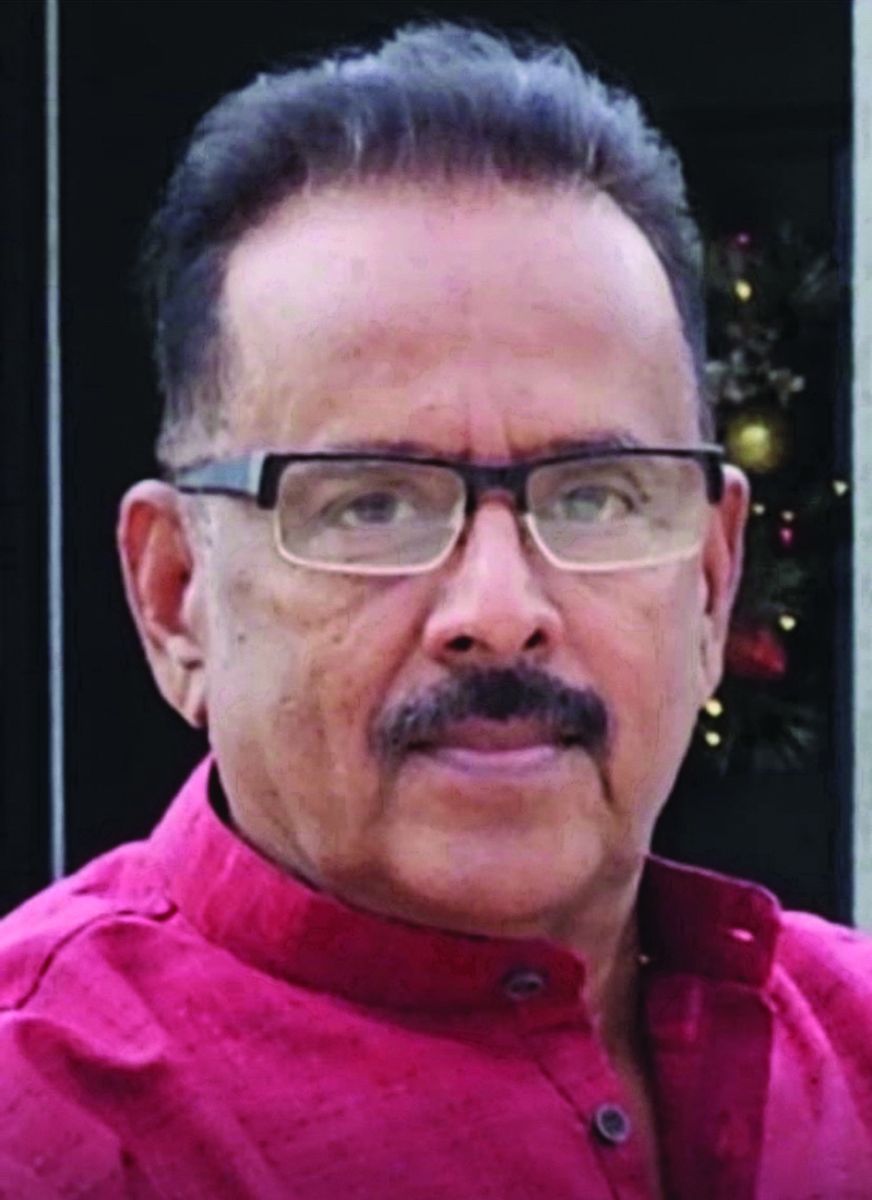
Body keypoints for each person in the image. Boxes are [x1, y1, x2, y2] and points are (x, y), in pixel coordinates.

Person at [1, 20, 870, 1200]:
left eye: (595, 496)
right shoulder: (44, 1132)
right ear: (175, 598)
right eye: (370, 505)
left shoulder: (851, 1059)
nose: (499, 613)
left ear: (712, 583)